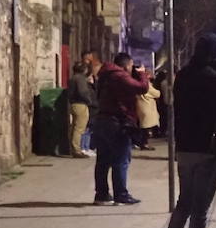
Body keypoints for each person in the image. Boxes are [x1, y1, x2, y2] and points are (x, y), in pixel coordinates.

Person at [158, 33, 216, 228]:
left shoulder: (184, 77)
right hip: (207, 152)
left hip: (185, 149)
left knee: (184, 204)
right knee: (200, 209)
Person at [91, 53, 149, 206]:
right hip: (117, 122)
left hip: (103, 120)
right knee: (121, 159)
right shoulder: (119, 76)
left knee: (103, 160)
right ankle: (121, 194)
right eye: (131, 66)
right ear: (126, 65)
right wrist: (143, 74)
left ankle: (101, 194)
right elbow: (142, 88)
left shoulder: (105, 75)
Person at [67, 62, 96, 158]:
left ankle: (72, 148)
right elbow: (83, 92)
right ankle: (77, 150)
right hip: (81, 104)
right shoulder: (81, 79)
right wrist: (89, 100)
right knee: (79, 128)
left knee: (74, 127)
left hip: (73, 104)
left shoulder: (73, 78)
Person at [134, 63, 161, 151]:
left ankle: (141, 142)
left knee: (143, 126)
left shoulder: (135, 82)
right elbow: (156, 93)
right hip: (146, 106)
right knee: (145, 127)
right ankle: (144, 143)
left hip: (141, 106)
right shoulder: (146, 84)